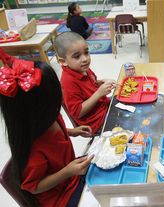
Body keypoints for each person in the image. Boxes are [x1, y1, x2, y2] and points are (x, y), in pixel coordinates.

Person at [0, 47, 94, 207]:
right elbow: (33, 187)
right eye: (57, 94)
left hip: (71, 175)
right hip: (61, 197)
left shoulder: (49, 117)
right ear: (40, 107)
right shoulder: (33, 152)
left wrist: (72, 131)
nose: (62, 95)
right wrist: (68, 171)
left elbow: (56, 137)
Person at [54, 32, 116, 135]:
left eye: (86, 53)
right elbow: (77, 112)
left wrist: (100, 83)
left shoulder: (82, 68)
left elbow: (91, 84)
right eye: (77, 56)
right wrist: (99, 93)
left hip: (103, 107)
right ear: (63, 61)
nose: (85, 59)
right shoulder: (68, 82)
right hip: (96, 122)